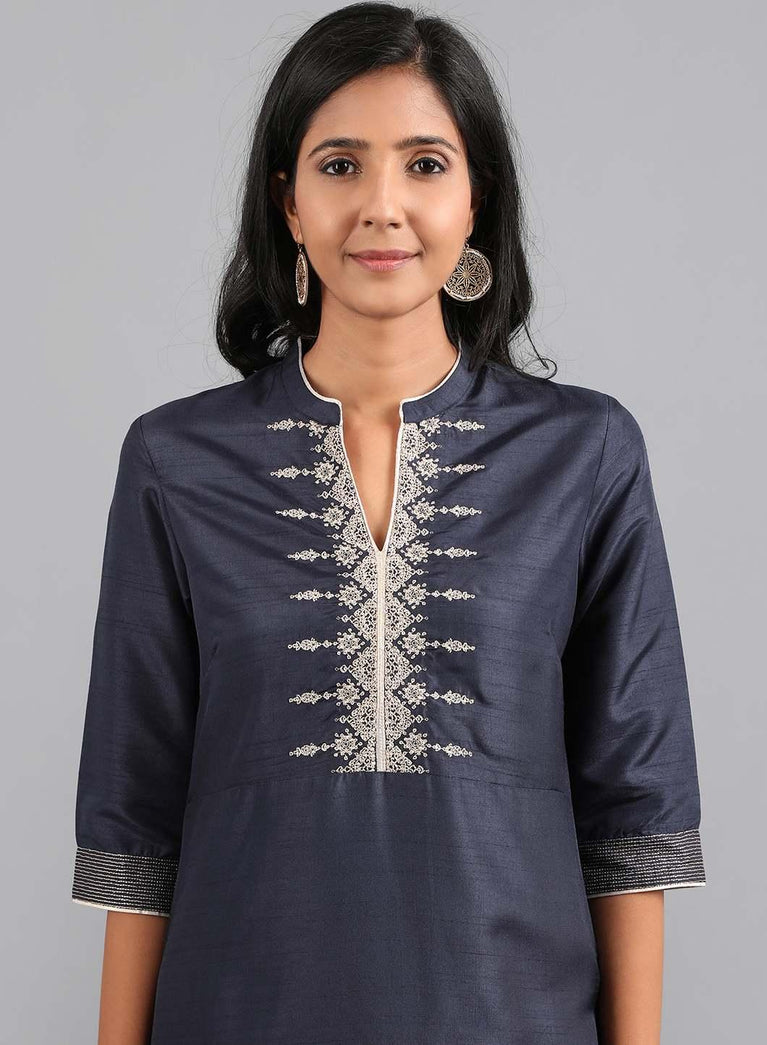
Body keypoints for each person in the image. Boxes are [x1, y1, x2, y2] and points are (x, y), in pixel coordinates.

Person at [70, 3, 706, 1042]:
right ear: (287, 202)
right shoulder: (175, 462)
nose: (380, 206)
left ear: (473, 197)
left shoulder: (583, 454)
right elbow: (133, 820)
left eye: (423, 165)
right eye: (339, 166)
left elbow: (633, 810)